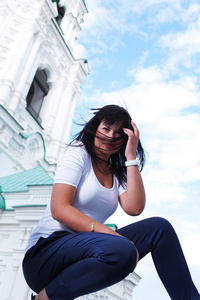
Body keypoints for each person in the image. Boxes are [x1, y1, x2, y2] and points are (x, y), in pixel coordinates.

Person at [23, 105, 200, 300]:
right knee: (122, 249)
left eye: (118, 133)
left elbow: (134, 208)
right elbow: (59, 209)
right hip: (46, 253)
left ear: (125, 139)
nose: (110, 137)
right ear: (95, 128)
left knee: (160, 228)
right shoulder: (78, 152)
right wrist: (112, 235)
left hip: (85, 251)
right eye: (106, 129)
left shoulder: (117, 171)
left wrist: (130, 157)